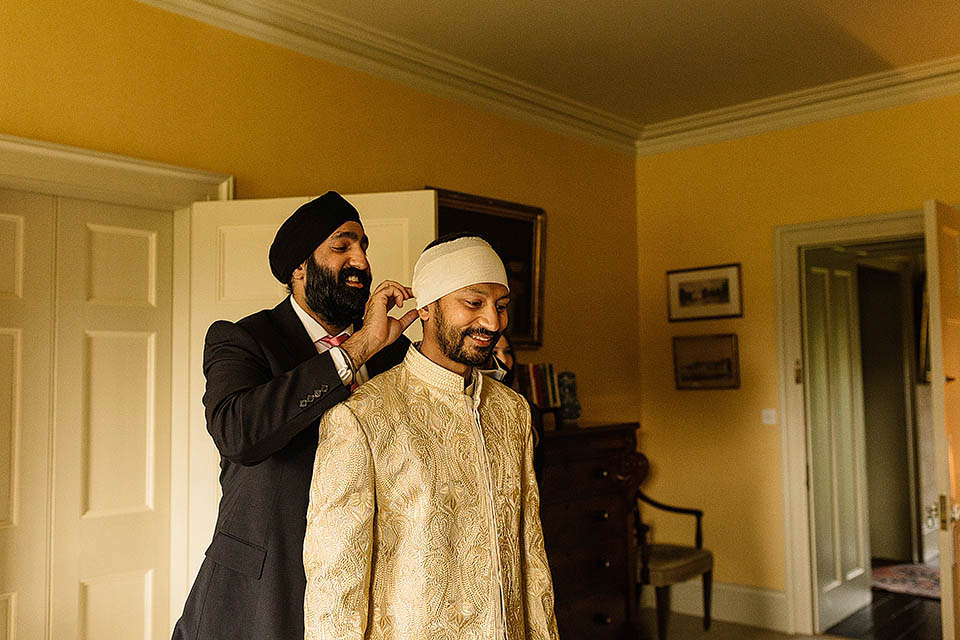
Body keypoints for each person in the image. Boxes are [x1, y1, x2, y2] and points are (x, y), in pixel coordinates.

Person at [172, 191, 418, 640]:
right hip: (258, 595)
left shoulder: (393, 352)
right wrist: (357, 348)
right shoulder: (242, 339)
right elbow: (239, 434)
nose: (361, 262)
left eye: (363, 247)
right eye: (342, 247)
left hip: (368, 590)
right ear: (299, 268)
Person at [302, 235, 559, 640]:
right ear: (426, 307)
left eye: (502, 306)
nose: (493, 322)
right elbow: (335, 585)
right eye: (473, 303)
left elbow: (530, 551)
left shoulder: (512, 411)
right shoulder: (362, 417)